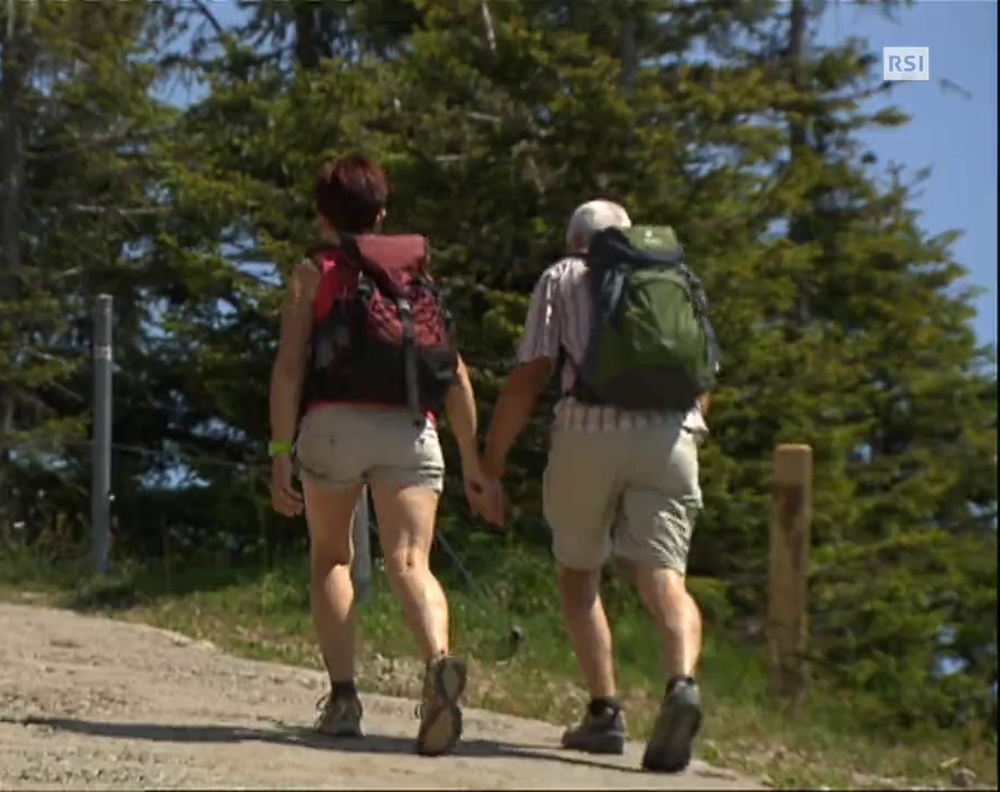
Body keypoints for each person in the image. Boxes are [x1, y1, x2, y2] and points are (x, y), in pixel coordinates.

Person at [267, 152, 498, 757]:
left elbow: (290, 369)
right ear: (383, 210)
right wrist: (472, 461)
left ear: (323, 212)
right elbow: (456, 374)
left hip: (334, 424)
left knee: (331, 559)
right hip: (409, 426)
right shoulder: (413, 276)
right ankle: (439, 663)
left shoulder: (312, 272)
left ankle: (344, 701)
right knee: (411, 561)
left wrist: (278, 451)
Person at [479, 199, 719, 773]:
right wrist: (691, 432)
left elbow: (530, 376)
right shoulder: (677, 278)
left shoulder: (563, 276)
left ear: (576, 241)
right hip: (671, 438)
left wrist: (490, 462)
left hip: (588, 431)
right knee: (665, 576)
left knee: (579, 570)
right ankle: (681, 682)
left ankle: (605, 712)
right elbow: (702, 375)